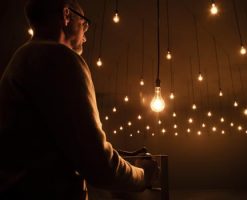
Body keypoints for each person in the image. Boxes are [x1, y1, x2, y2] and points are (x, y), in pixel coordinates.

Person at [0, 0, 158, 199]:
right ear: (67, 16)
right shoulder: (61, 59)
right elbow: (97, 165)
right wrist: (142, 175)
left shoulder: (20, 59)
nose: (86, 34)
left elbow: (52, 146)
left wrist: (117, 157)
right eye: (84, 23)